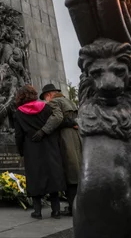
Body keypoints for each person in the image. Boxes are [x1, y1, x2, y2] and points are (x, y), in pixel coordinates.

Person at [14, 85, 66, 219]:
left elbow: (18, 135)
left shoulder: (19, 113)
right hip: (49, 146)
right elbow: (54, 126)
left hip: (32, 148)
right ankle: (56, 211)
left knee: (35, 177)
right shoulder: (46, 107)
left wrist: (21, 150)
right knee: (52, 175)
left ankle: (37, 212)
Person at [36, 83, 82, 217]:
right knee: (77, 170)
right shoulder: (69, 101)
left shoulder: (54, 102)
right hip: (76, 138)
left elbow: (57, 118)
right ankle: (78, 205)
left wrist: (43, 131)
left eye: (45, 97)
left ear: (49, 95)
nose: (46, 100)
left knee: (70, 172)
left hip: (65, 138)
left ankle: (73, 207)